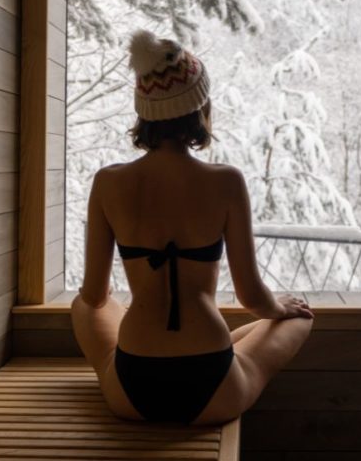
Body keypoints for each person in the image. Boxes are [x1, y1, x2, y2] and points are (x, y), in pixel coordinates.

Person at [71, 29, 314, 426]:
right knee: (297, 316)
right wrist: (278, 309)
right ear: (201, 108)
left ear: (143, 113)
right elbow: (252, 295)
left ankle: (142, 357)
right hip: (214, 388)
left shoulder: (108, 182)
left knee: (83, 306)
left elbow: (95, 296)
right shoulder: (226, 182)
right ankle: (236, 345)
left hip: (133, 391)